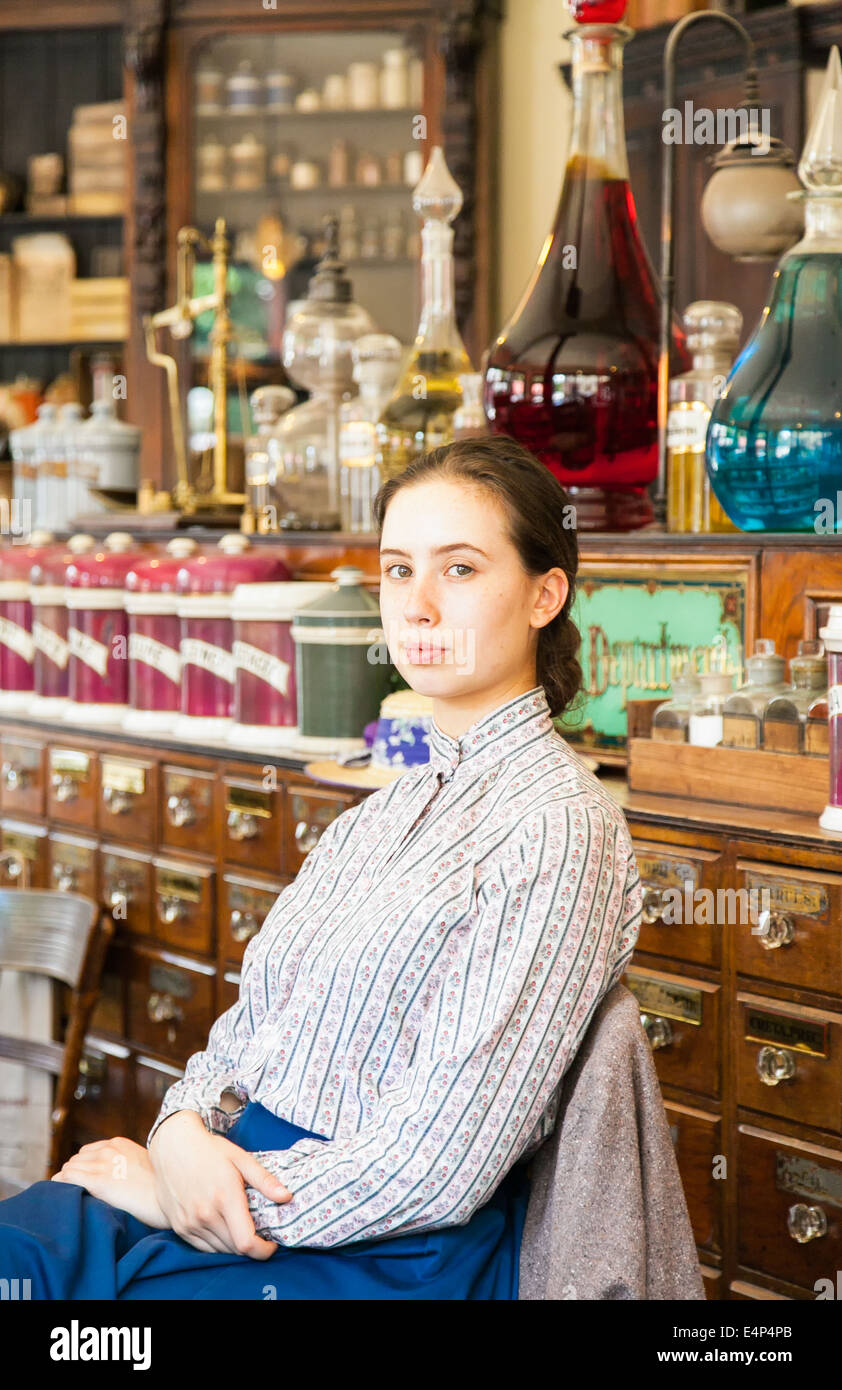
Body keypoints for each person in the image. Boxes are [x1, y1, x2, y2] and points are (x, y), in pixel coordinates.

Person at [0, 434, 642, 1299]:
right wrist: (178, 1133)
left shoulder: (559, 830)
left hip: (368, 1252)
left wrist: (183, 1198)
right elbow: (247, 1032)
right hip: (232, 1181)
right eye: (396, 569)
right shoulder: (377, 816)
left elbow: (441, 1166)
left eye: (458, 569)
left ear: (543, 594)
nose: (416, 606)